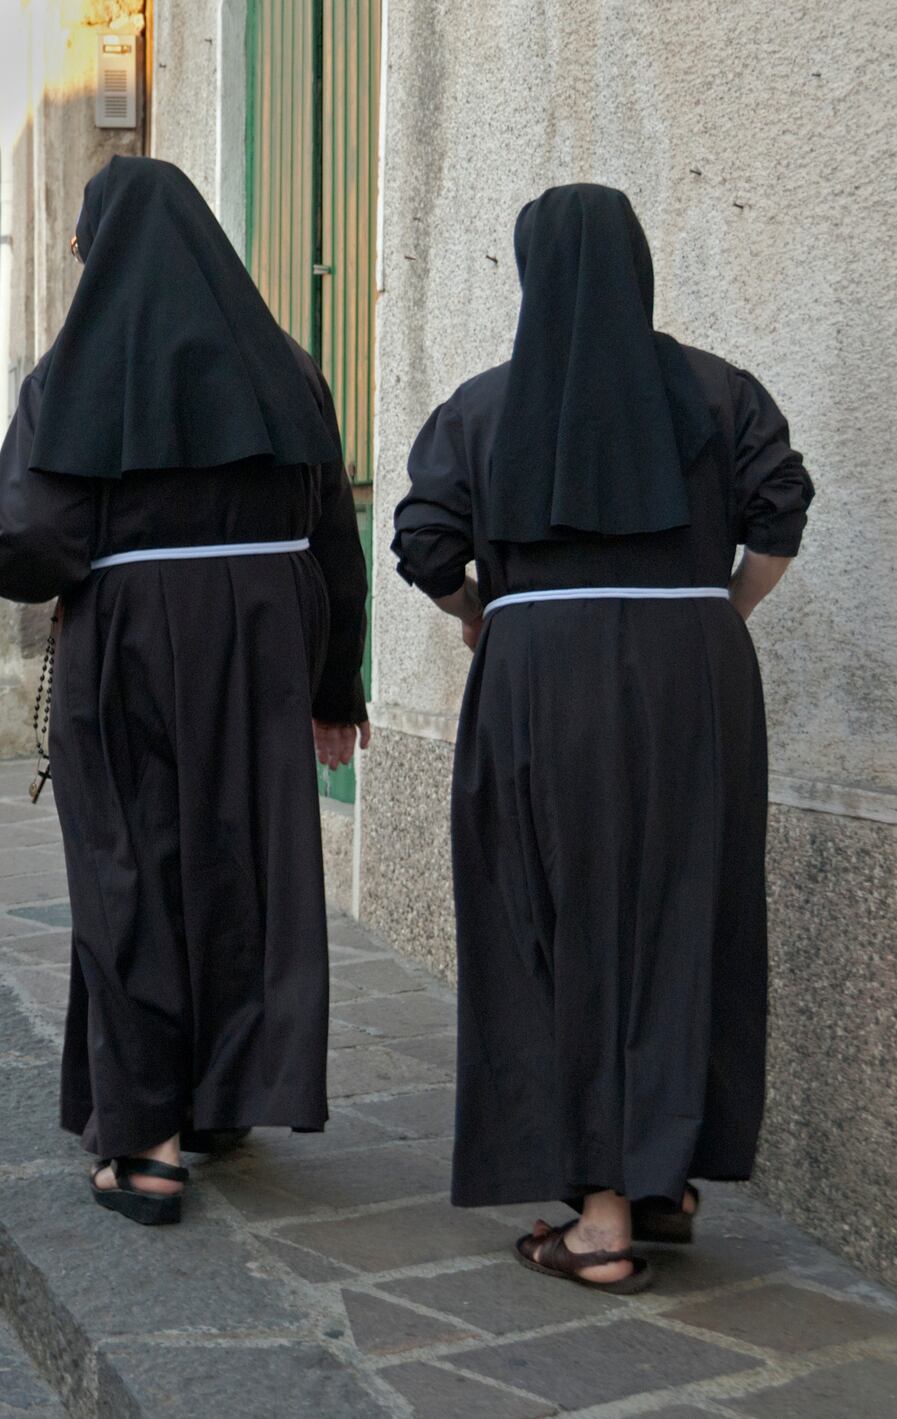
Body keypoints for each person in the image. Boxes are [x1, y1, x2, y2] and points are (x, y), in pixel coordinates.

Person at [392, 183, 810, 1294]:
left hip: (540, 674)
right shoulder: (721, 395)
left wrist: (489, 615)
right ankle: (664, 1178)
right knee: (687, 909)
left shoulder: (483, 409)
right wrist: (715, 616)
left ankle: (603, 1218)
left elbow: (425, 547)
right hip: (694, 673)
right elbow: (778, 516)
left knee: (553, 916)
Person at [0, 156, 369, 1227]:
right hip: (264, 645)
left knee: (129, 871)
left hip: (133, 644)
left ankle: (146, 1138)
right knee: (242, 868)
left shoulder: (72, 375)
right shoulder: (286, 366)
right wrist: (335, 686)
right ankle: (223, 1096)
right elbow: (334, 530)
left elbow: (23, 544)